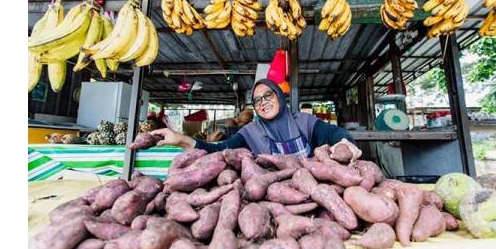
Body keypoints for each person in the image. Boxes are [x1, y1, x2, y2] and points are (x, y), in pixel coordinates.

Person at [151, 78, 354, 157]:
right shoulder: (250, 132)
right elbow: (218, 150)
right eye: (257, 101)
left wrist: (344, 145)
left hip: (312, 198)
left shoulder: (304, 122)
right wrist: (180, 139)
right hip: (270, 203)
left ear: (280, 97)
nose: (263, 102)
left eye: (268, 95)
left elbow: (335, 133)